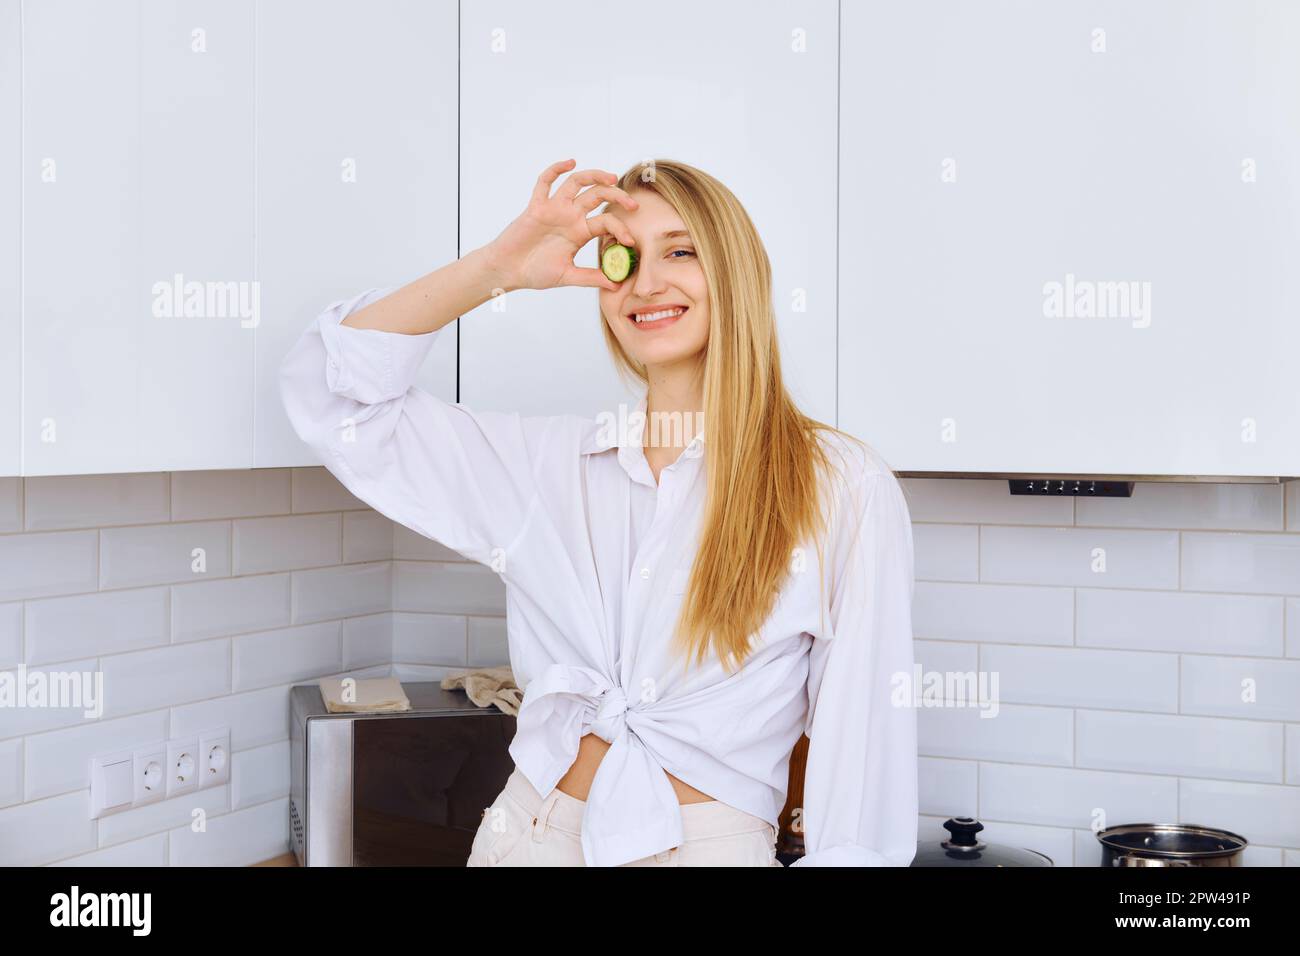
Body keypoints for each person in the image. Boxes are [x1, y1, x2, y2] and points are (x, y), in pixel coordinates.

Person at [279, 157, 918, 867]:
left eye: (680, 251)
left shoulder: (840, 486)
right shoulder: (546, 467)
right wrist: (498, 267)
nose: (646, 284)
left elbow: (863, 764)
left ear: (737, 272)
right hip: (529, 835)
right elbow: (334, 397)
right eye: (623, 257)